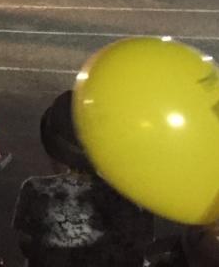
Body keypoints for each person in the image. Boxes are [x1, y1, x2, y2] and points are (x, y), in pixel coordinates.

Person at [12, 90, 152, 266]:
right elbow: (138, 251)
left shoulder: (35, 189)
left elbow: (27, 245)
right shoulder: (134, 198)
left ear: (54, 147)